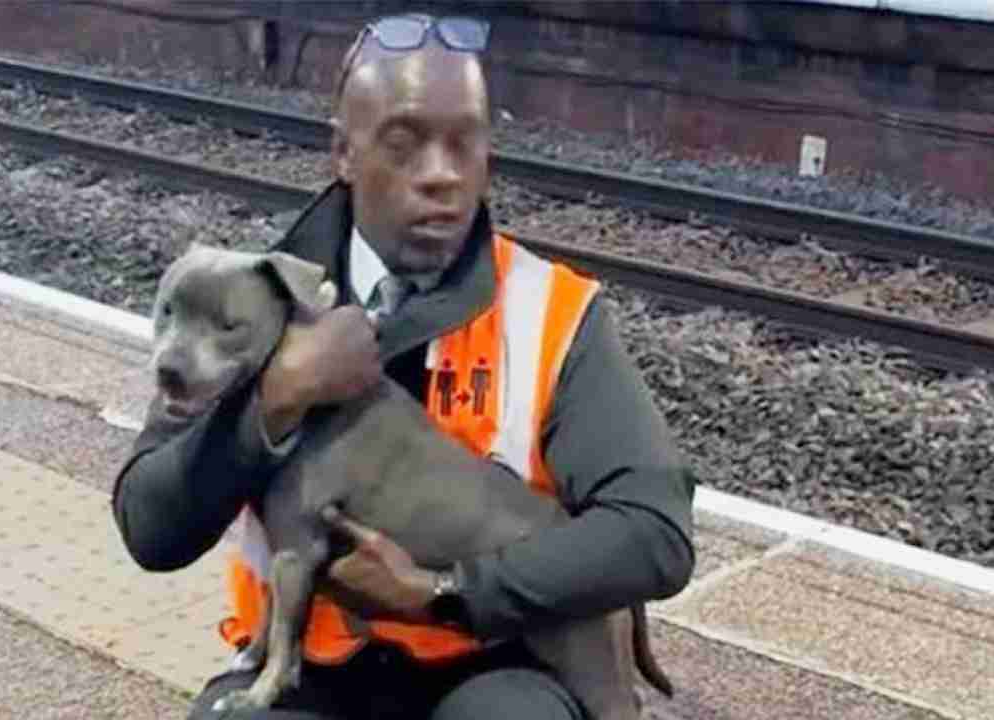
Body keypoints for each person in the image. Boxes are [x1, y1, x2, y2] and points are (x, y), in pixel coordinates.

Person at [112, 12, 696, 720]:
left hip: (494, 656)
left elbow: (653, 537)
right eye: (404, 143)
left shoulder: (550, 311)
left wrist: (444, 591)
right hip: (308, 667)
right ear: (344, 154)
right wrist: (277, 397)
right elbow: (151, 529)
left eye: (465, 144)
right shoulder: (245, 304)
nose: (441, 177)